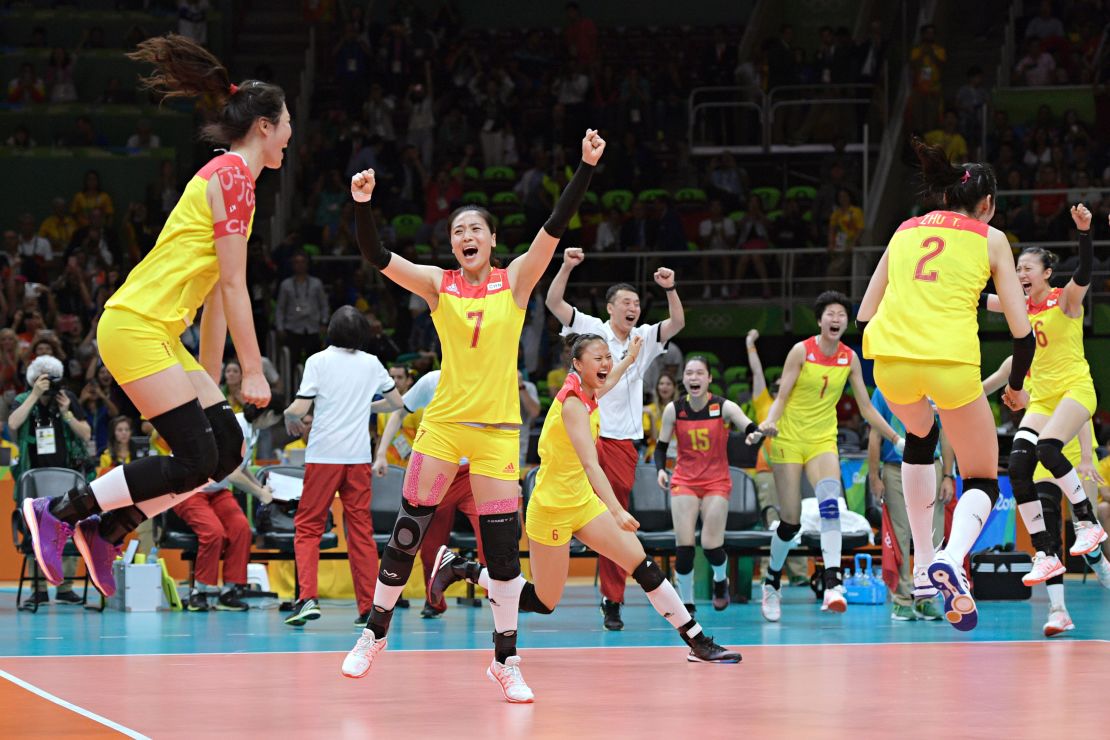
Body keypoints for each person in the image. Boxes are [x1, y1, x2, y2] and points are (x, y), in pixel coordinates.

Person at [341, 130, 606, 704]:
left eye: (475, 229)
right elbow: (376, 255)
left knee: (505, 555)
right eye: (458, 230)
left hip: (499, 435)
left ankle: (505, 661)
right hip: (443, 426)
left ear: (491, 240)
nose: (466, 236)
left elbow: (555, 227)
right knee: (409, 530)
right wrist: (362, 205)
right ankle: (373, 633)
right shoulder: (438, 285)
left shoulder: (516, 282)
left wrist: (583, 167)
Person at [21, 34, 288, 599]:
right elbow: (237, 286)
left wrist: (211, 378)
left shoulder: (235, 181)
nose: (291, 133)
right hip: (135, 325)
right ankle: (58, 510)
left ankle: (109, 528)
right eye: (286, 122)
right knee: (195, 458)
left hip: (161, 334)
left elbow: (217, 294)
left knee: (226, 451)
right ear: (265, 125)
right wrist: (255, 368)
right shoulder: (236, 177)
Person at [429, 333, 740, 671]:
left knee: (641, 564)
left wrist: (630, 359)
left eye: (607, 356)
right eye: (598, 358)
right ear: (577, 365)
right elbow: (592, 464)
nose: (606, 363)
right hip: (551, 510)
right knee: (543, 601)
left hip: (582, 501)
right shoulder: (574, 405)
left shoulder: (589, 392)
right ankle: (462, 568)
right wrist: (618, 510)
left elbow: (613, 380)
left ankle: (697, 641)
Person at [858, 137, 1035, 632]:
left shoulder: (906, 228)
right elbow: (1022, 336)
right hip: (950, 362)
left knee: (920, 438)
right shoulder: (991, 237)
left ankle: (920, 567)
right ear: (988, 206)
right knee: (979, 475)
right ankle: (952, 558)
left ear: (944, 198)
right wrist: (1017, 388)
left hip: (890, 360)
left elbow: (865, 312)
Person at [545, 248, 685, 631]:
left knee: (614, 521)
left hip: (623, 440)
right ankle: (564, 550)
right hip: (586, 435)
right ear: (609, 307)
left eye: (637, 303)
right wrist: (567, 266)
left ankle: (612, 598)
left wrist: (670, 289)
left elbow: (676, 322)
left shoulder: (644, 336)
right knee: (577, 505)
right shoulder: (591, 330)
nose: (633, 307)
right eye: (625, 302)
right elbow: (554, 301)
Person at [754, 291, 903, 619]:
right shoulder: (800, 351)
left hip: (823, 440)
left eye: (840, 315)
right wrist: (770, 422)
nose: (835, 320)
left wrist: (895, 436)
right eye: (829, 314)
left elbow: (865, 407)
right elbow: (782, 396)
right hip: (789, 440)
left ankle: (833, 582)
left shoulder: (849, 358)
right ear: (820, 320)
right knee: (790, 522)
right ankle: (771, 583)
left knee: (830, 504)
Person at [980, 209, 1107, 587]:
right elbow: (977, 299)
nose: (1020, 274)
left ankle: (1087, 521)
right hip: (1044, 399)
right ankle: (1046, 553)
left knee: (1049, 450)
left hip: (1075, 390)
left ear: (1046, 273)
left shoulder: (1063, 300)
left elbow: (1084, 274)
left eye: (1027, 269)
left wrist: (1085, 233)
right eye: (1017, 268)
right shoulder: (1018, 306)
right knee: (1018, 467)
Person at [282, 307, 404, 627]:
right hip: (358, 458)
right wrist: (366, 405)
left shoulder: (317, 361)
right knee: (360, 531)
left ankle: (307, 597)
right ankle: (368, 607)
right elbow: (395, 404)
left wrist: (288, 417)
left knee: (308, 527)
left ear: (331, 330)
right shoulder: (372, 363)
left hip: (324, 456)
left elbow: (300, 407)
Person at [983, 357, 1110, 635]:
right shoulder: (1017, 362)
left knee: (1086, 535)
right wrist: (949, 401)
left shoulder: (1060, 357)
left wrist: (1088, 457)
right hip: (1041, 451)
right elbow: (984, 387)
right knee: (1049, 521)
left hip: (1075, 453)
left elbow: (1083, 412)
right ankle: (1058, 610)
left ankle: (1099, 561)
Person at [373, 369, 484, 619]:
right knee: (432, 545)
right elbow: (399, 410)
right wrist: (381, 453)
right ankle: (434, 601)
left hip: (474, 472)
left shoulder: (486, 376)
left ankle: (502, 593)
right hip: (438, 472)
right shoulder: (431, 380)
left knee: (493, 537)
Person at [655, 356, 761, 612]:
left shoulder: (722, 407)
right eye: (689, 373)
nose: (694, 377)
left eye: (700, 373)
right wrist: (660, 470)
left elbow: (747, 426)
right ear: (684, 379)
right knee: (685, 546)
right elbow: (660, 447)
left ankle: (720, 580)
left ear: (709, 379)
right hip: (684, 480)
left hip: (716, 481)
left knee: (713, 545)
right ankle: (687, 603)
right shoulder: (674, 410)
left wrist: (754, 434)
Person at [178, 404, 278, 612]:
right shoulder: (235, 427)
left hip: (217, 491)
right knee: (214, 533)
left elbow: (241, 467)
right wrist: (260, 494)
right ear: (269, 415)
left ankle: (230, 591)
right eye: (277, 418)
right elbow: (232, 475)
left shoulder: (253, 431)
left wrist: (262, 487)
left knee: (241, 528)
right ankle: (201, 591)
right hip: (190, 489)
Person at [11, 355, 92, 610]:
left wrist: (67, 412)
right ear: (33, 380)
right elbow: (13, 424)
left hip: (67, 474)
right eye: (43, 380)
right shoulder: (24, 400)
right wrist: (35, 395)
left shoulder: (66, 399)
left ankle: (66, 587)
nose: (49, 385)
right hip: (32, 477)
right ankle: (39, 589)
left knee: (69, 527)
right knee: (37, 530)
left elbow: (86, 433)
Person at [867, 388, 951, 621]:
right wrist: (874, 476)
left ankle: (928, 598)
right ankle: (902, 599)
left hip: (931, 466)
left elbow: (945, 433)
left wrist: (948, 475)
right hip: (894, 469)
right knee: (900, 534)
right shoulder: (884, 390)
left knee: (932, 536)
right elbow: (875, 434)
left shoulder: (934, 388)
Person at [746, 329, 807, 585]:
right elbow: (757, 373)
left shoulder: (801, 409)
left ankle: (800, 574)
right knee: (773, 521)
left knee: (794, 521)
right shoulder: (765, 405)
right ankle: (769, 573)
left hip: (792, 470)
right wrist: (750, 346)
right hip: (768, 473)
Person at [275, 251, 329, 365]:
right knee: (293, 361)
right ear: (293, 265)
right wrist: (280, 327)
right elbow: (280, 308)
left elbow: (324, 305)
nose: (300, 265)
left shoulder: (316, 283)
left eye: (303, 262)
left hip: (312, 327)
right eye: (297, 262)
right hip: (293, 328)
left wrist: (324, 322)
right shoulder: (286, 285)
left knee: (314, 361)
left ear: (307, 264)